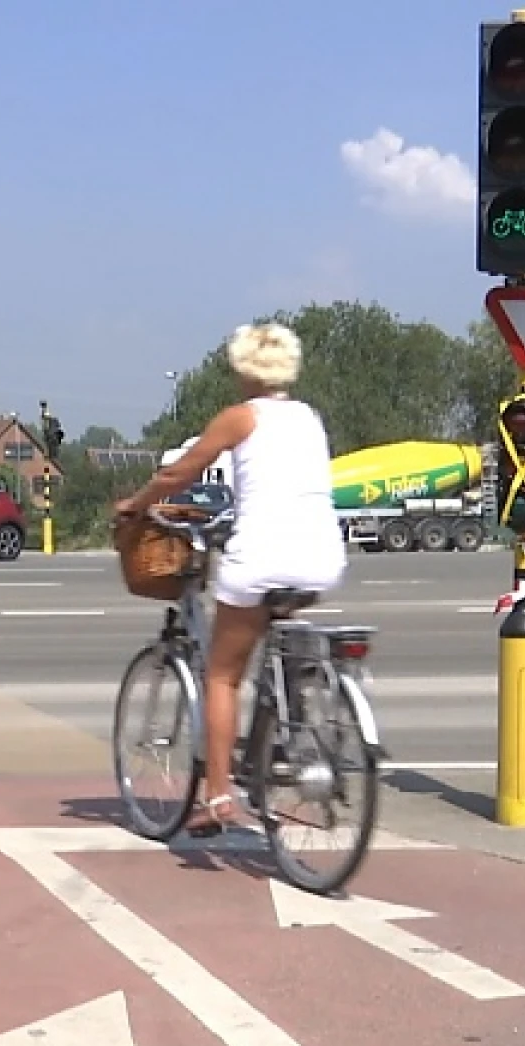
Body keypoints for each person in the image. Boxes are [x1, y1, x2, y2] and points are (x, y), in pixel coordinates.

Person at [114, 322, 346, 835]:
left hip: (263, 557)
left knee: (223, 674)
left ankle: (218, 796)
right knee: (270, 638)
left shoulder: (240, 418)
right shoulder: (308, 418)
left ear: (242, 370)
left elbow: (181, 473)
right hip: (324, 556)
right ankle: (282, 727)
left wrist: (137, 505)